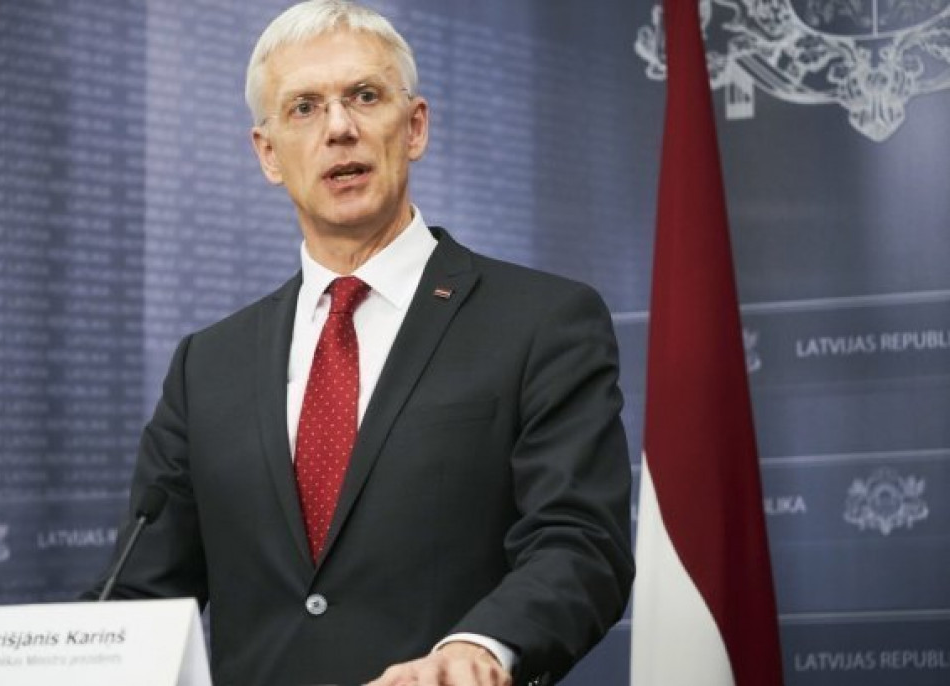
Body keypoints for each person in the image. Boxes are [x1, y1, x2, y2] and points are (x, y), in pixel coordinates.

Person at [92, 2, 634, 684]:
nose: (339, 128)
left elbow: (580, 542)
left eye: (365, 96)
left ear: (415, 126)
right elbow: (141, 598)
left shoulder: (541, 322)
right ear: (268, 154)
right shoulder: (208, 366)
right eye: (304, 108)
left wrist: (478, 648)